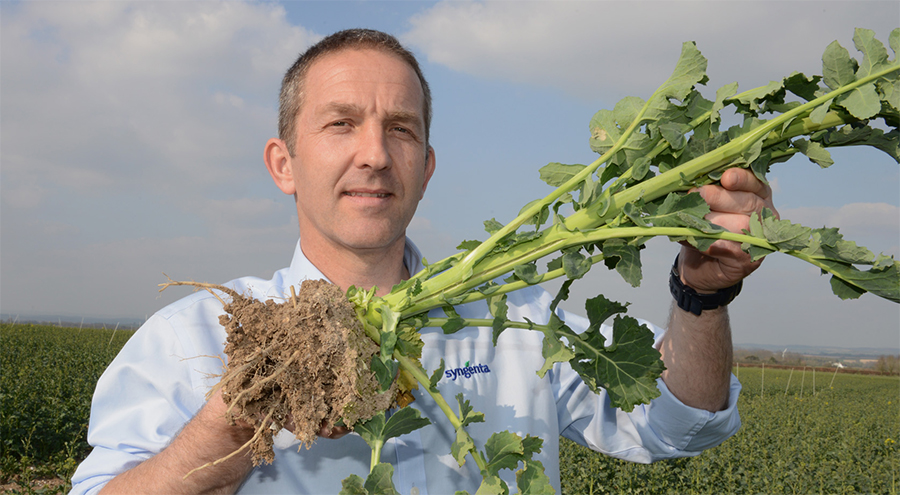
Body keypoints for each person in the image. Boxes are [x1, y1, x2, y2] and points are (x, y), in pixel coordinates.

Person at [71, 29, 776, 494]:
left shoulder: (521, 321)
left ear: (427, 164)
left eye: (400, 129)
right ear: (282, 163)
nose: (375, 153)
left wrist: (701, 296)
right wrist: (226, 425)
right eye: (341, 122)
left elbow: (679, 424)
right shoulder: (194, 338)